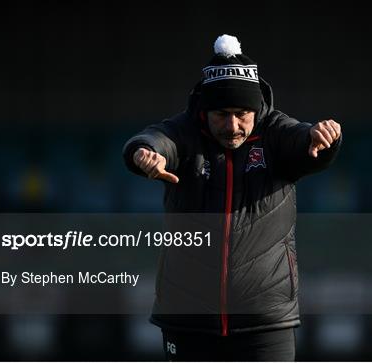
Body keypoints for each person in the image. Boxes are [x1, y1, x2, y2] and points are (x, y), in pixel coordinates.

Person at [123, 34, 342, 361]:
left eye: (242, 113)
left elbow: (304, 143)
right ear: (204, 111)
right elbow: (155, 140)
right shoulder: (185, 132)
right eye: (221, 114)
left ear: (256, 109)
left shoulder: (274, 133)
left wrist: (322, 139)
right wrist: (145, 154)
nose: (233, 125)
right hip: (188, 319)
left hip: (266, 321)